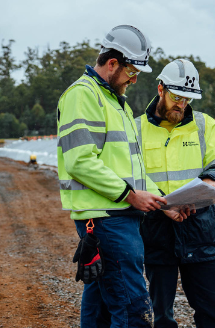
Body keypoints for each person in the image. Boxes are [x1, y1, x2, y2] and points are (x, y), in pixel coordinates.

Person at [56, 25, 167, 328]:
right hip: (106, 218)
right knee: (132, 310)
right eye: (132, 72)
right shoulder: (82, 95)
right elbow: (80, 161)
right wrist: (131, 195)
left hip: (117, 215)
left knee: (101, 308)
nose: (134, 79)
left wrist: (165, 201)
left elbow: (133, 168)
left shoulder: (115, 101)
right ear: (113, 63)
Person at [135, 59, 215, 328]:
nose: (182, 104)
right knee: (162, 317)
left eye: (188, 98)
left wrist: (214, 179)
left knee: (211, 316)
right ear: (160, 90)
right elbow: (130, 174)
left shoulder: (204, 124)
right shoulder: (135, 129)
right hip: (156, 233)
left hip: (200, 231)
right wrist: (162, 203)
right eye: (177, 96)